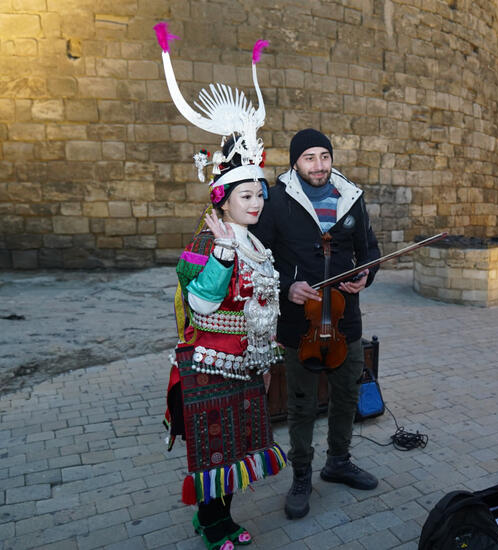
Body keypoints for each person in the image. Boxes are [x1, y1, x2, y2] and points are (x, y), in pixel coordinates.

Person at [155, 23, 286, 549]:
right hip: (211, 365)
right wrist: (224, 254)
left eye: (259, 194)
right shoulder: (217, 243)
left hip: (247, 364)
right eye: (245, 195)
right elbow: (202, 302)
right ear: (223, 201)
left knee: (237, 450)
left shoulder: (256, 243)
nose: (256, 202)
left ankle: (222, 519)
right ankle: (212, 525)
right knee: (215, 454)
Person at [252, 128, 381, 519]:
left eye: (324, 156)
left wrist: (366, 275)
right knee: (302, 402)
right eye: (310, 158)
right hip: (299, 322)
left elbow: (369, 249)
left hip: (345, 319)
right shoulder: (276, 201)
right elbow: (259, 258)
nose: (319, 166)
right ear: (296, 162)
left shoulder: (350, 197)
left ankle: (338, 461)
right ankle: (302, 475)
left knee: (347, 393)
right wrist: (287, 287)